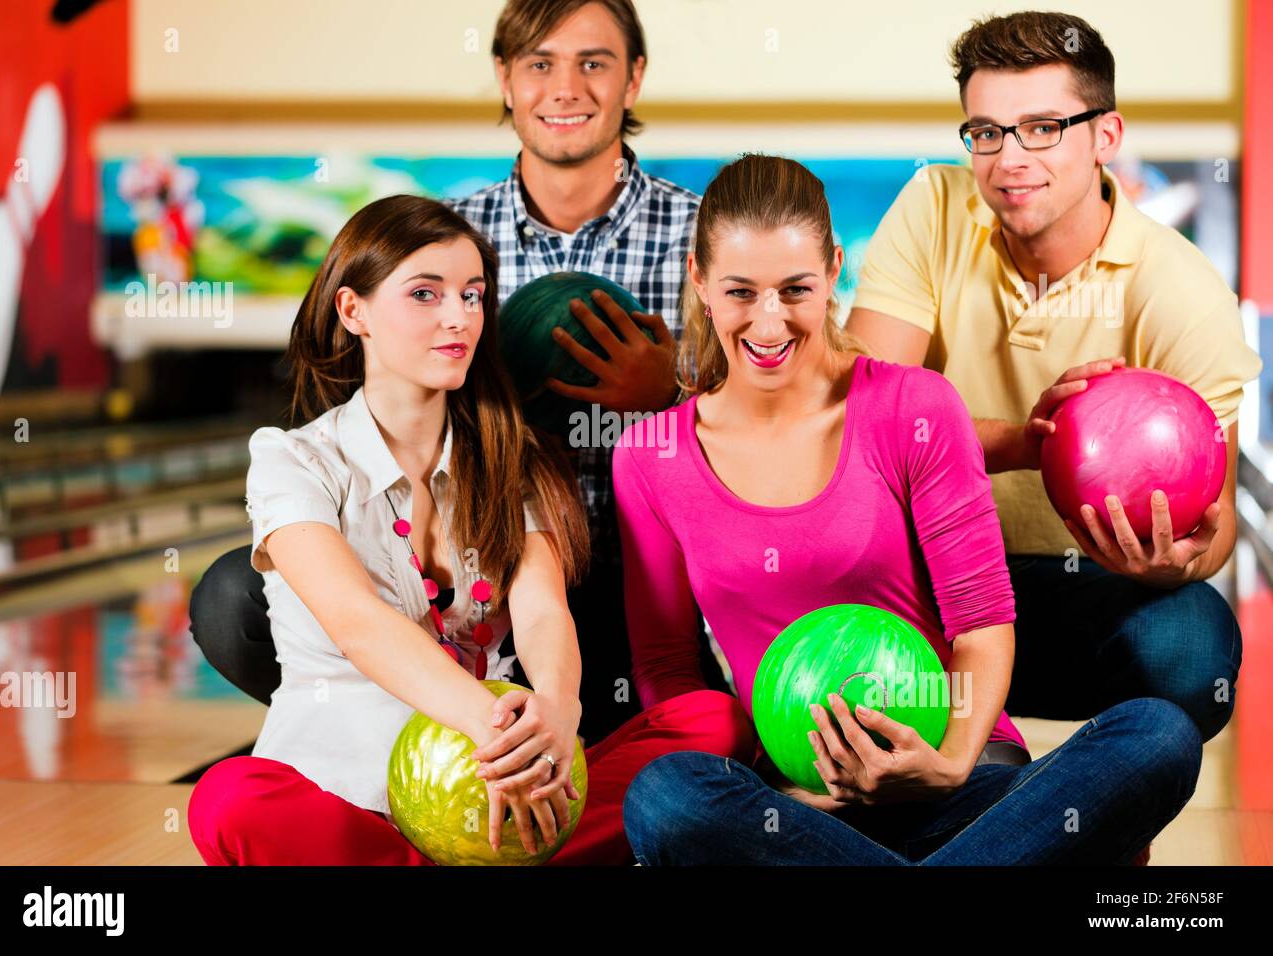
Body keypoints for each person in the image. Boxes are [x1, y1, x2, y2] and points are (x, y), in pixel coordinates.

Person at [616, 154, 1201, 865]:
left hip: (958, 783)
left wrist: (948, 762)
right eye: (741, 291)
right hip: (798, 808)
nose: (768, 322)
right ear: (700, 280)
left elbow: (982, 622)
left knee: (1156, 734)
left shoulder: (912, 408)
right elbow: (669, 668)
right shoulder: (651, 457)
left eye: (795, 289)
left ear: (835, 271)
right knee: (665, 792)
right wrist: (790, 786)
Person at [188, 0, 721, 744]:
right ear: (506, 79)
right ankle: (396, 738)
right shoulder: (449, 239)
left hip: (646, 583)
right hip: (486, 575)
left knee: (685, 722)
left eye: (592, 62)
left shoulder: (707, 243)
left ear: (633, 79)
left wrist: (675, 395)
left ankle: (539, 739)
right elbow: (379, 431)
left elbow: (789, 423)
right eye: (540, 63)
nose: (565, 87)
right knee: (233, 597)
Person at [188, 195, 754, 866]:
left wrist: (556, 714)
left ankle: (501, 851)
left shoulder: (511, 458)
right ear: (353, 310)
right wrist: (499, 734)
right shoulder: (293, 461)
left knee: (710, 722)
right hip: (351, 796)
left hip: (514, 785)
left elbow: (542, 611)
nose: (459, 317)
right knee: (227, 799)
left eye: (473, 295)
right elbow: (358, 622)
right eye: (425, 294)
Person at [844, 11, 1262, 744]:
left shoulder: (1183, 289)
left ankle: (1101, 804)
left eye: (1042, 127)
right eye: (987, 131)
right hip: (931, 578)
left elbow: (1217, 523)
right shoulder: (932, 211)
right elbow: (855, 427)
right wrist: (1026, 441)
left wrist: (1170, 561)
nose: (1009, 158)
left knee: (1195, 650)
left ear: (1107, 137)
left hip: (1090, 589)